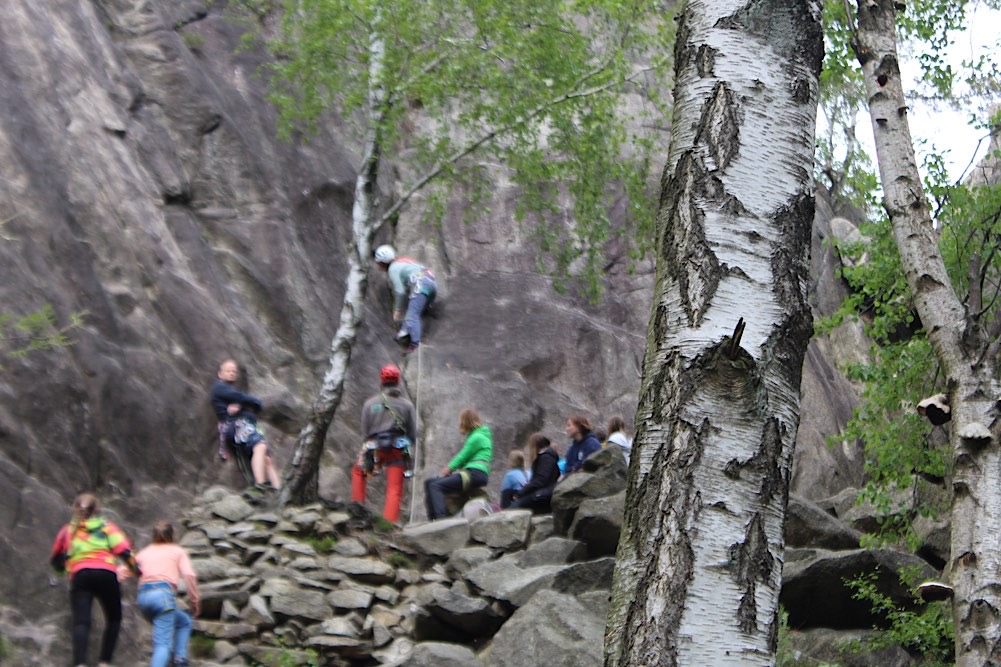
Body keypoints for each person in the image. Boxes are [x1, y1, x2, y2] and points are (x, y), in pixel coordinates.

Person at [49, 493, 139, 667]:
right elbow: (125, 551)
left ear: (75, 508)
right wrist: (137, 570)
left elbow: (56, 559)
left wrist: (63, 570)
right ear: (97, 509)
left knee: (81, 621)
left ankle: (80, 663)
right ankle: (104, 662)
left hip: (81, 574)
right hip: (106, 573)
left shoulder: (68, 530)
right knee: (114, 618)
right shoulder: (107, 527)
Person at [352, 364, 418, 523]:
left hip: (374, 447)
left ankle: (357, 511)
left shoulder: (370, 403)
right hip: (397, 448)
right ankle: (388, 524)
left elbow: (365, 431)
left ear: (381, 381)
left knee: (359, 472)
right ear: (397, 381)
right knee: (394, 488)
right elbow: (412, 434)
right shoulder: (407, 405)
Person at [135, 520, 200, 667]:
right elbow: (189, 575)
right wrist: (194, 601)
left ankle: (180, 659)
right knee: (162, 645)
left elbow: (125, 569)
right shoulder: (177, 551)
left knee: (183, 621)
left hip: (143, 598)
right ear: (173, 535)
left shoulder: (145, 552)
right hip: (162, 596)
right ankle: (177, 660)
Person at [210, 359, 282, 492]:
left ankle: (279, 490)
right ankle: (260, 485)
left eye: (234, 371)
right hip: (236, 425)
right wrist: (253, 402)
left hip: (245, 424)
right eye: (228, 371)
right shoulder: (219, 388)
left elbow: (241, 400)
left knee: (267, 458)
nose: (232, 373)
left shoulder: (230, 393)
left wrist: (241, 405)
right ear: (220, 374)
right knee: (260, 446)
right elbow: (245, 399)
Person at [425, 409, 493, 520]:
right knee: (429, 482)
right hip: (474, 473)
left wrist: (449, 469)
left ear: (465, 422)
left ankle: (441, 520)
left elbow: (462, 456)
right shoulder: (478, 435)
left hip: (474, 474)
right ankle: (432, 519)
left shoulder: (477, 437)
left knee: (435, 486)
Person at [374, 244, 438, 353]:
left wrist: (397, 310)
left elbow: (400, 291)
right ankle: (404, 330)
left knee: (413, 314)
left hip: (420, 283)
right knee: (415, 310)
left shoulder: (393, 269)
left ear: (382, 262)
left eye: (378, 263)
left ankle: (414, 344)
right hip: (431, 284)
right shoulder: (404, 261)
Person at [509, 434, 561, 513]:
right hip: (544, 494)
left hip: (543, 495)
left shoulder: (545, 458)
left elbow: (540, 480)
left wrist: (521, 493)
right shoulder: (546, 458)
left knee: (514, 507)